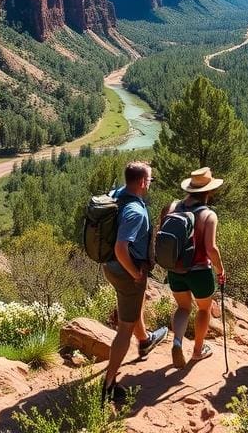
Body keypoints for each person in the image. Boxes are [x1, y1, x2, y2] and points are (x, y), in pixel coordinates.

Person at [102, 161, 168, 403]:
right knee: (124, 328)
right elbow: (121, 248)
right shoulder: (136, 212)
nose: (150, 183)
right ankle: (108, 385)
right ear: (141, 183)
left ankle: (145, 341)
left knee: (132, 307)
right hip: (125, 270)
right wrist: (134, 273)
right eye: (149, 180)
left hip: (109, 266)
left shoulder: (118, 194)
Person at [159, 166, 226, 368]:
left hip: (175, 270)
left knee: (183, 307)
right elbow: (211, 248)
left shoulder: (170, 208)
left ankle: (177, 341)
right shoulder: (208, 215)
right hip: (200, 272)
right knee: (204, 309)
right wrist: (220, 269)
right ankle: (197, 350)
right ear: (209, 192)